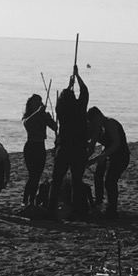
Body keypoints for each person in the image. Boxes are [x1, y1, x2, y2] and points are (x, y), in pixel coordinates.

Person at [48, 66, 90, 219]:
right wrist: (77, 77)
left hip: (64, 148)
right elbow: (85, 92)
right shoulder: (80, 109)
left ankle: (51, 207)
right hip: (79, 149)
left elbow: (64, 99)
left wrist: (69, 85)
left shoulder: (61, 111)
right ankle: (77, 210)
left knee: (57, 179)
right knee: (77, 180)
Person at [86, 106, 130, 219]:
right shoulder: (98, 129)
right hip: (109, 154)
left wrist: (103, 156)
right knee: (98, 175)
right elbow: (92, 147)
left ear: (99, 116)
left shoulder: (110, 123)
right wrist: (87, 160)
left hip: (121, 155)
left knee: (110, 181)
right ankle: (99, 202)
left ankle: (112, 209)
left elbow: (116, 143)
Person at [21, 95, 57, 206]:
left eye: (39, 102)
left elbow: (55, 127)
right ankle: (26, 200)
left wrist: (50, 118)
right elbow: (27, 123)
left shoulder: (43, 116)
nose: (38, 104)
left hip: (41, 147)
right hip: (31, 147)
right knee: (32, 175)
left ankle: (32, 200)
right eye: (36, 102)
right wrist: (38, 112)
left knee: (37, 175)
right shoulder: (28, 116)